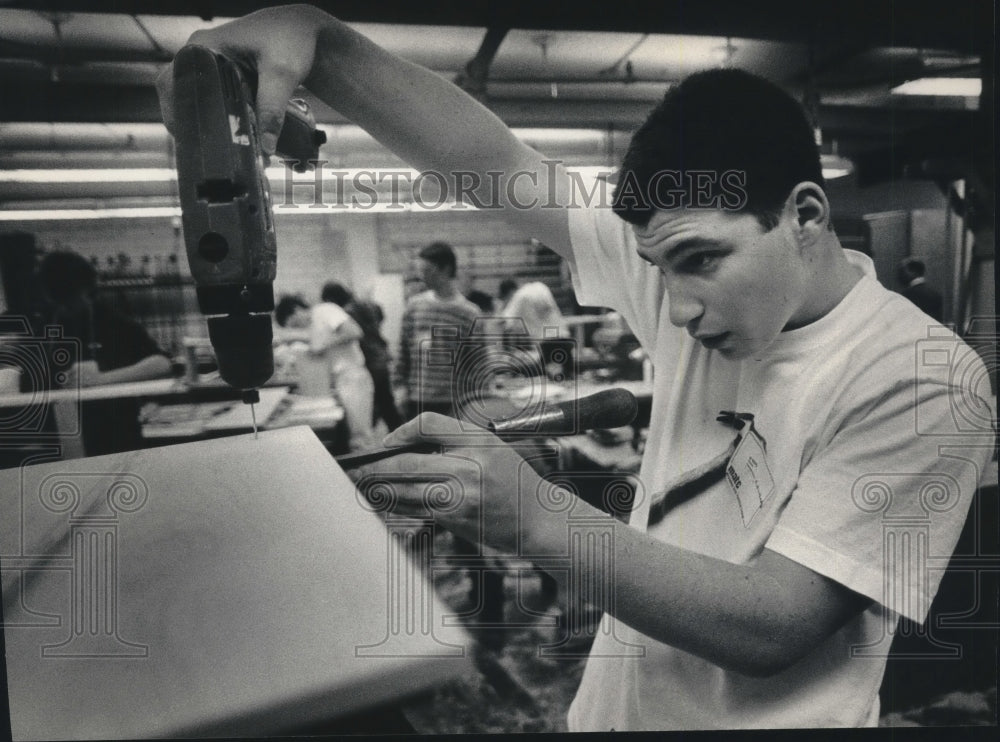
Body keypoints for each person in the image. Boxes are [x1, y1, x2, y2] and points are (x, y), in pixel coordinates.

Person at [158, 8, 994, 730]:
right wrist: (324, 42)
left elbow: (774, 623)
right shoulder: (685, 267)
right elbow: (505, 169)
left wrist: (539, 519)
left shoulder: (921, 380)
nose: (675, 310)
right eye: (656, 268)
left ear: (805, 216)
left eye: (700, 261)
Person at [32, 250, 172, 457]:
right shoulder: (44, 324)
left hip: (116, 435)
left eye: (72, 300)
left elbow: (161, 364)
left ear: (88, 289)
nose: (67, 308)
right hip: (59, 437)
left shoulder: (111, 321)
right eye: (60, 302)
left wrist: (101, 379)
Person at [274, 292, 376, 452]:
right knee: (350, 435)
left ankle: (368, 472)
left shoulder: (325, 310)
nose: (297, 327)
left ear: (296, 310)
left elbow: (354, 331)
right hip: (341, 380)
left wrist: (323, 344)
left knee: (360, 434)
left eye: (294, 323)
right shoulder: (313, 325)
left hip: (353, 376)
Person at [395, 241, 482, 420]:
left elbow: (477, 363)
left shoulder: (469, 313)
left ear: (446, 269)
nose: (422, 276)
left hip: (453, 402)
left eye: (427, 270)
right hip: (416, 399)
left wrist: (472, 402)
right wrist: (399, 387)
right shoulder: (414, 306)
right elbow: (402, 351)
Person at [319, 281, 403, 431]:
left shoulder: (347, 312)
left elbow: (355, 334)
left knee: (376, 406)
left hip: (370, 360)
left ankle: (391, 438)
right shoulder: (365, 305)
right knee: (386, 403)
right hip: (380, 355)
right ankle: (398, 437)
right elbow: (380, 318)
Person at [499, 279, 573, 381]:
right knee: (568, 377)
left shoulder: (518, 296)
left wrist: (506, 350)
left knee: (555, 379)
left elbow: (505, 323)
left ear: (509, 292)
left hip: (547, 342)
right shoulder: (540, 286)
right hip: (564, 337)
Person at [897, 257, 944, 322]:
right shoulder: (935, 294)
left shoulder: (905, 295)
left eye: (902, 271)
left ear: (913, 272)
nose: (899, 276)